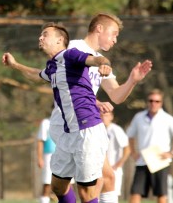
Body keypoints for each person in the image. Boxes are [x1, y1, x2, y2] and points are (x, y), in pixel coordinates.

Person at [2, 22, 113, 203]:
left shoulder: (70, 55)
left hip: (88, 131)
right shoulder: (53, 65)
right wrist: (15, 65)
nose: (40, 37)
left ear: (60, 40)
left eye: (45, 34)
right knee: (58, 186)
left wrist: (104, 64)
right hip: (69, 133)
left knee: (86, 193)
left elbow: (95, 59)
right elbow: (36, 74)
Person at [64, 13, 152, 203]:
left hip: (88, 123)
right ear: (99, 29)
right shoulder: (74, 48)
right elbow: (64, 86)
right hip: (73, 124)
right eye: (113, 34)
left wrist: (132, 80)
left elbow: (116, 95)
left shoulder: (101, 59)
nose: (115, 40)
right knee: (80, 187)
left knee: (108, 178)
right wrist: (95, 102)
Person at [127, 88, 173, 203]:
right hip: (142, 161)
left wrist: (170, 153)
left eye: (157, 101)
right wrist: (133, 152)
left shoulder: (168, 119)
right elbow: (130, 135)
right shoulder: (139, 117)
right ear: (148, 102)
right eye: (151, 100)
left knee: (162, 195)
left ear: (161, 103)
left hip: (160, 163)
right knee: (135, 193)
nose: (153, 103)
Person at [100, 111, 130, 203]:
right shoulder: (99, 130)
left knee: (111, 195)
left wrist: (118, 164)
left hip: (113, 169)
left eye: (106, 115)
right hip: (100, 168)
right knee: (99, 196)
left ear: (111, 117)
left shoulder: (115, 129)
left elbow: (127, 148)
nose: (104, 117)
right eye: (102, 115)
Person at [37, 115, 56, 203]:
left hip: (65, 156)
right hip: (49, 156)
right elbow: (40, 141)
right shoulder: (46, 123)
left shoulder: (68, 120)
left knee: (68, 184)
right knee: (47, 182)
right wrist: (40, 158)